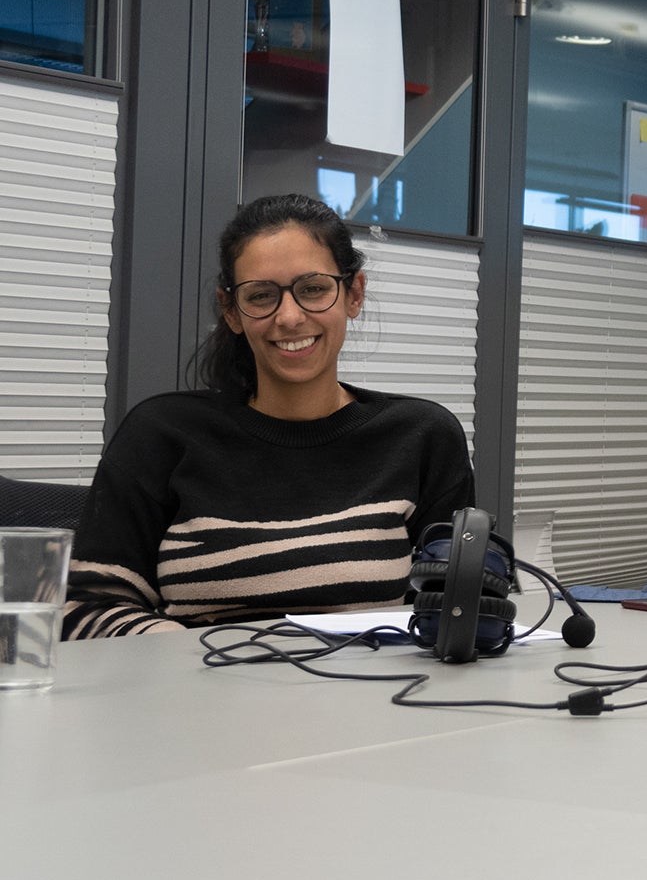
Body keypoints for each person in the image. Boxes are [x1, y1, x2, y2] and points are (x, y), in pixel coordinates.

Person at [63, 194, 475, 639]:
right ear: (231, 311)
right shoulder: (161, 433)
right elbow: (88, 611)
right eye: (261, 296)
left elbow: (452, 610)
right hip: (199, 700)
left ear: (353, 294)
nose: (290, 317)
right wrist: (209, 663)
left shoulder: (422, 436)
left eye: (313, 289)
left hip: (372, 699)